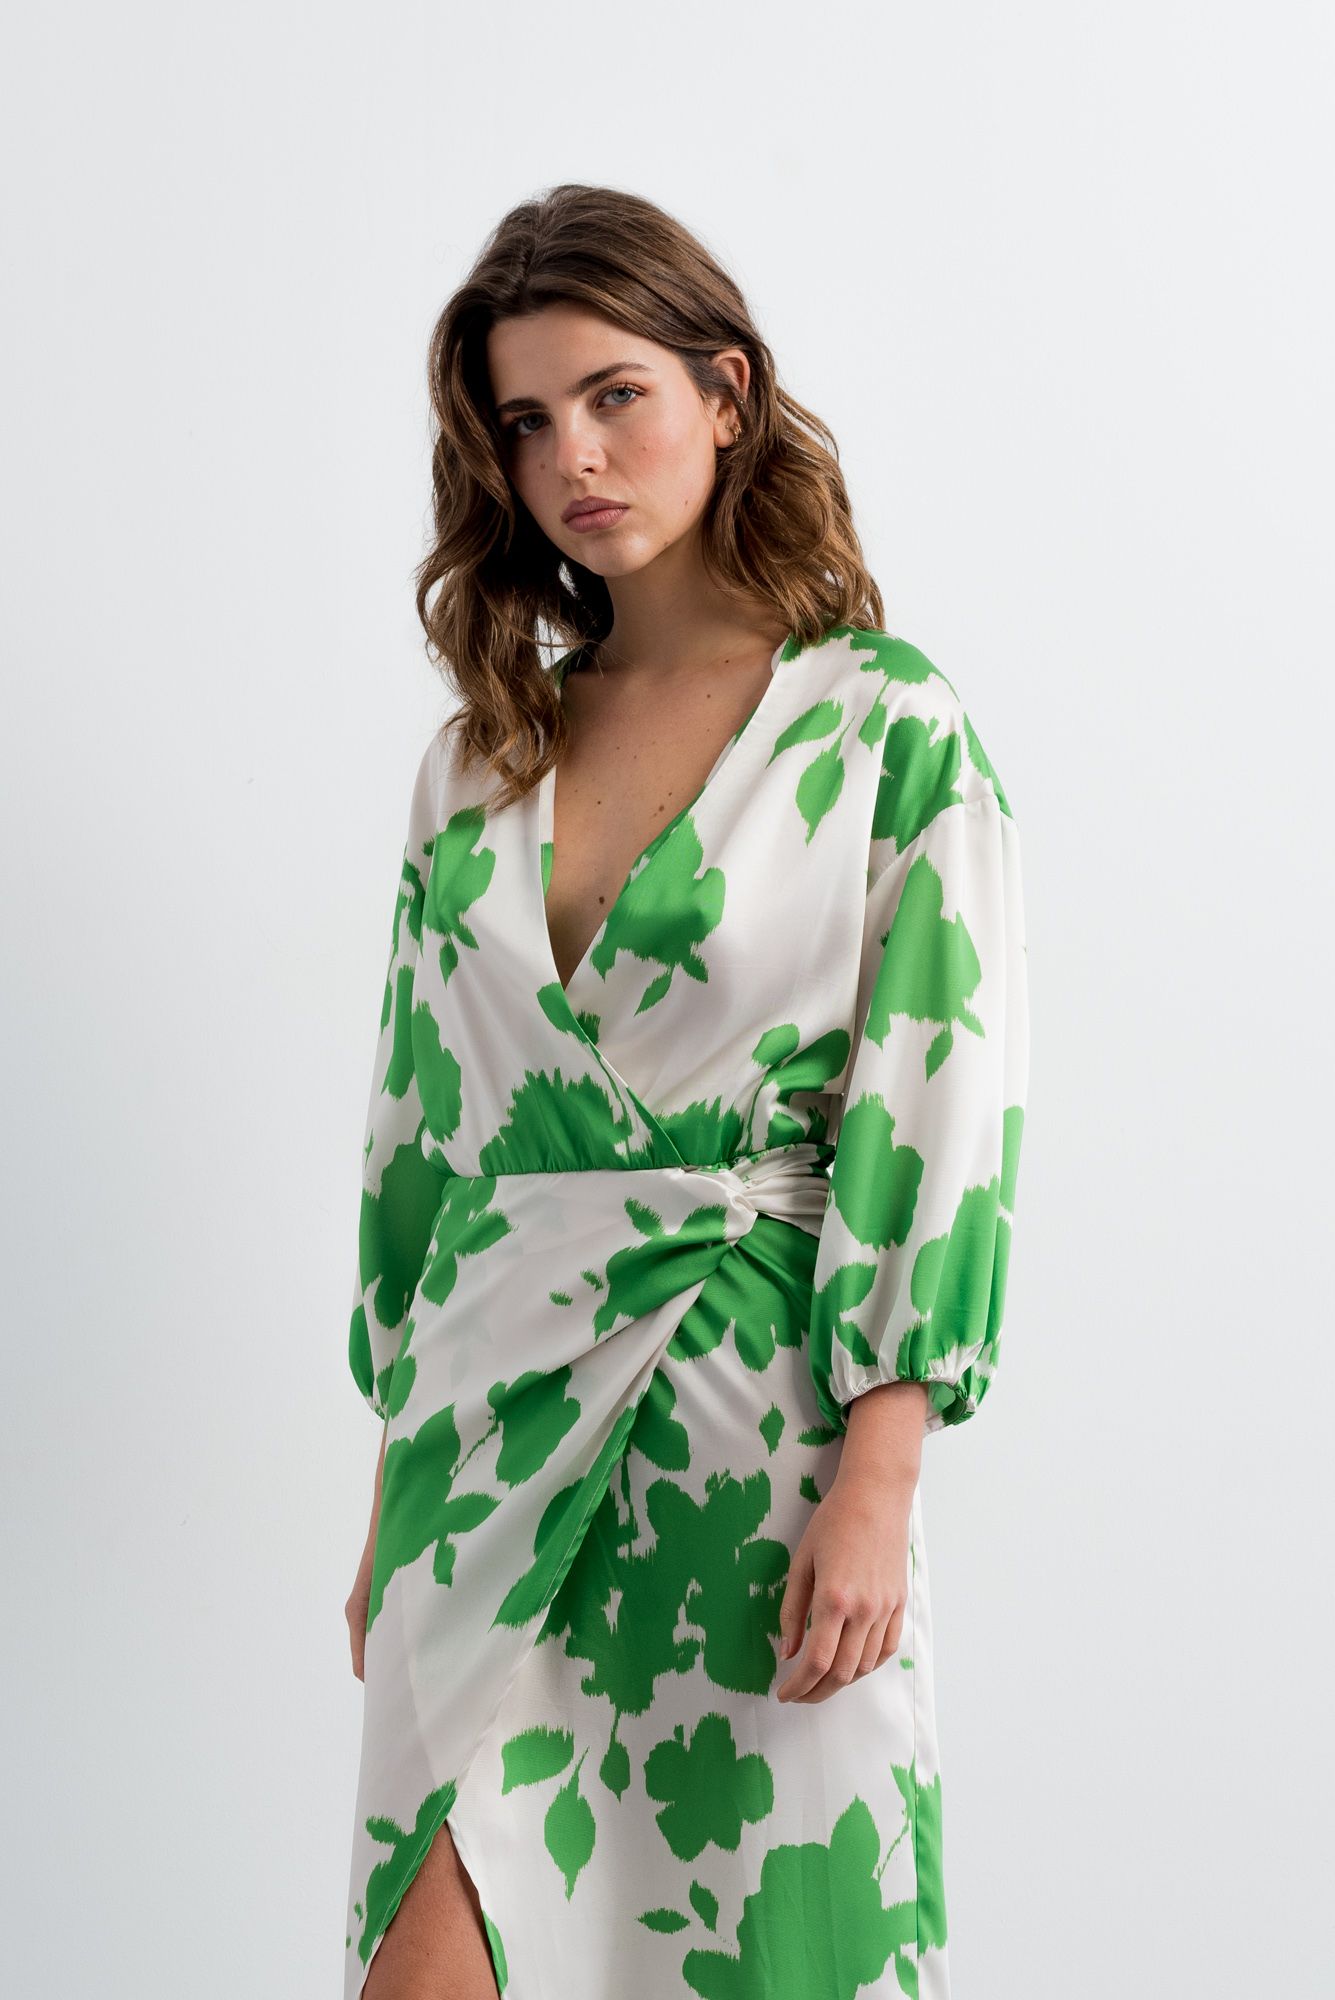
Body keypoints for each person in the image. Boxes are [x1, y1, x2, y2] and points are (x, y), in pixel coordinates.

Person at [340, 182, 1029, 2000]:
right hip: (484, 1435)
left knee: (751, 1951)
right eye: (525, 421)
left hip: (752, 1432)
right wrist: (392, 1481)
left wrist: (881, 1472)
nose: (571, 456)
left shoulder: (883, 728)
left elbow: (940, 1110)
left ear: (728, 395)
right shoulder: (479, 760)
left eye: (614, 395)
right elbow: (422, 1132)